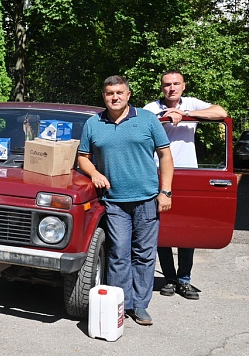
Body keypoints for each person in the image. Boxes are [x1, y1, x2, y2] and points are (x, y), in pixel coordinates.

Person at [77, 75, 174, 326]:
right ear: (104, 96)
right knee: (119, 254)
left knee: (144, 254)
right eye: (110, 93)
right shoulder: (93, 123)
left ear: (128, 95)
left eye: (120, 92)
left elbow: (165, 156)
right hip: (114, 201)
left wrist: (166, 192)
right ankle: (120, 303)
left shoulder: (147, 119)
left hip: (147, 199)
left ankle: (140, 305)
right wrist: (95, 173)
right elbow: (83, 158)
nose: (115, 97)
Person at [143, 70, 228, 300]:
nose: (171, 88)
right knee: (163, 227)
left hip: (190, 173)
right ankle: (169, 279)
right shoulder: (150, 109)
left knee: (187, 228)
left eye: (176, 84)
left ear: (183, 86)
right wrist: (165, 116)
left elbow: (221, 112)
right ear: (161, 87)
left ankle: (184, 279)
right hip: (158, 173)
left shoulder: (191, 103)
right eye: (167, 84)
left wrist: (186, 113)